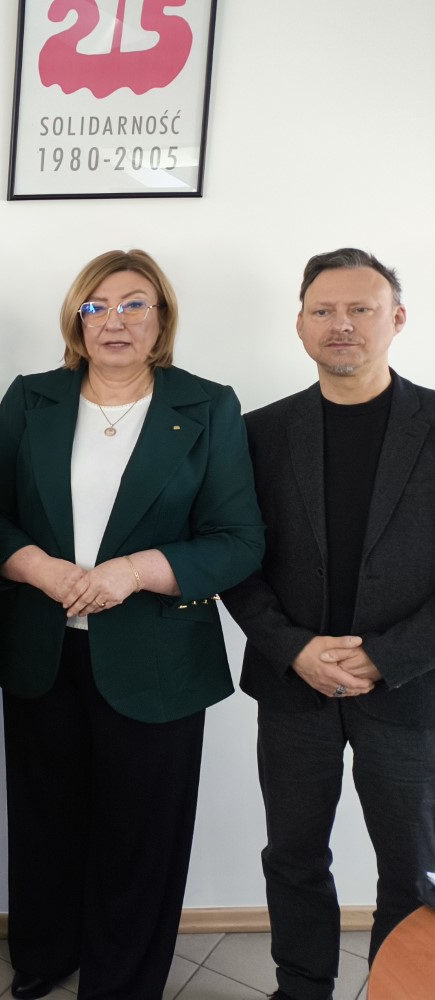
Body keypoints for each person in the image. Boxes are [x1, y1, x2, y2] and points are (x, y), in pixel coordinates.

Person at [0, 250, 264, 999]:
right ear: (76, 320)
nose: (114, 320)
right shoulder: (32, 397)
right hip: (42, 648)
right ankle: (45, 954)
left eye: (134, 304)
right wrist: (39, 567)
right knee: (45, 818)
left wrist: (132, 571)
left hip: (157, 657)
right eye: (95, 306)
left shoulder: (207, 405)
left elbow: (237, 540)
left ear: (161, 318)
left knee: (142, 833)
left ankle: (122, 981)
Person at [222, 249, 435, 1000]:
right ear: (300, 324)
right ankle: (301, 986)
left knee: (411, 866)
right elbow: (234, 557)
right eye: (323, 310)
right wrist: (295, 650)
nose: (340, 323)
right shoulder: (256, 433)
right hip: (293, 685)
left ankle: (399, 989)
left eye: (359, 308)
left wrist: (387, 656)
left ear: (396, 318)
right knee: (292, 854)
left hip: (411, 688)